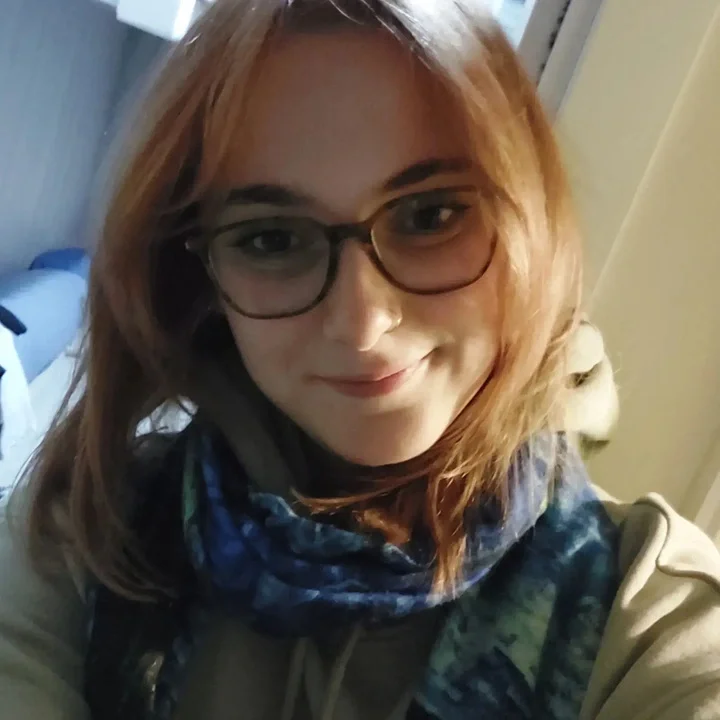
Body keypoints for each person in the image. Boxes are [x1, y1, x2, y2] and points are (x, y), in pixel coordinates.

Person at [1, 0, 719, 718]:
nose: (362, 325)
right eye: (272, 239)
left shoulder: (647, 616)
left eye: (430, 215)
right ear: (201, 279)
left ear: (531, 223)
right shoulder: (83, 531)